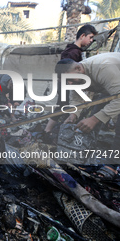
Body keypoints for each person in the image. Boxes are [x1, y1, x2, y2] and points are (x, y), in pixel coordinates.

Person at [55, 52, 120, 180]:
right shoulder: (77, 76)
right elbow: (76, 98)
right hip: (111, 90)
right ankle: (84, 154)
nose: (70, 83)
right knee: (92, 119)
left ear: (79, 68)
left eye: (70, 80)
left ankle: (113, 164)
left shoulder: (103, 67)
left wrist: (95, 119)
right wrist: (74, 114)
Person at [44, 25, 98, 133]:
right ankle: (48, 131)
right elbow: (66, 71)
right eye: (90, 37)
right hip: (67, 84)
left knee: (64, 106)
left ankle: (54, 130)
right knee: (63, 106)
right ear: (82, 36)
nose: (91, 41)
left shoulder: (74, 50)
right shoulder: (73, 52)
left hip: (66, 84)